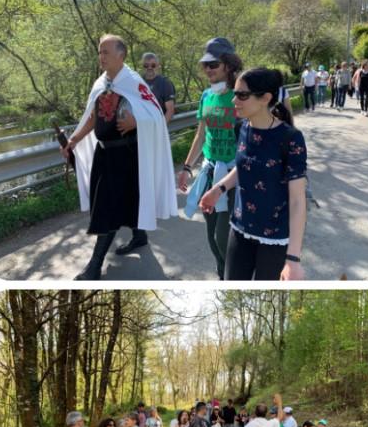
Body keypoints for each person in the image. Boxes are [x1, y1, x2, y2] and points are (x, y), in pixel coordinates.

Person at [62, 34, 177, 280]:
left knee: (110, 208)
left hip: (128, 154)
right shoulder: (100, 83)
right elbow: (92, 117)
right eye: (99, 52)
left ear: (120, 55)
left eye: (105, 52)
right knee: (125, 201)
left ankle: (94, 266)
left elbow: (157, 115)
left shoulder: (134, 82)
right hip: (104, 154)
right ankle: (139, 236)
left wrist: (138, 120)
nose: (101, 56)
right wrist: (74, 139)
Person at [200, 68, 307, 281]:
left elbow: (297, 200)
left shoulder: (290, 138)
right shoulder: (242, 127)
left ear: (265, 98)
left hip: (274, 238)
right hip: (239, 228)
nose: (234, 100)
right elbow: (245, 166)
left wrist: (293, 260)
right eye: (235, 93)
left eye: (242, 95)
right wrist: (219, 189)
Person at [179, 37, 244, 279]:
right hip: (209, 171)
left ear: (228, 65)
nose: (208, 69)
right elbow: (201, 135)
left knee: (221, 237)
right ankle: (222, 274)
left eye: (213, 64)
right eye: (205, 65)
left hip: (231, 177)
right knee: (210, 237)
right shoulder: (206, 95)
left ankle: (233, 278)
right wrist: (187, 167)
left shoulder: (242, 96)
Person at [125, 52, 178, 251]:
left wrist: (157, 131)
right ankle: (141, 222)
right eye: (146, 65)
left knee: (154, 173)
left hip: (154, 136)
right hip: (137, 137)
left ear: (159, 65)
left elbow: (170, 110)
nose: (150, 68)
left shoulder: (165, 83)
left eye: (153, 64)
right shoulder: (137, 83)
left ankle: (155, 205)